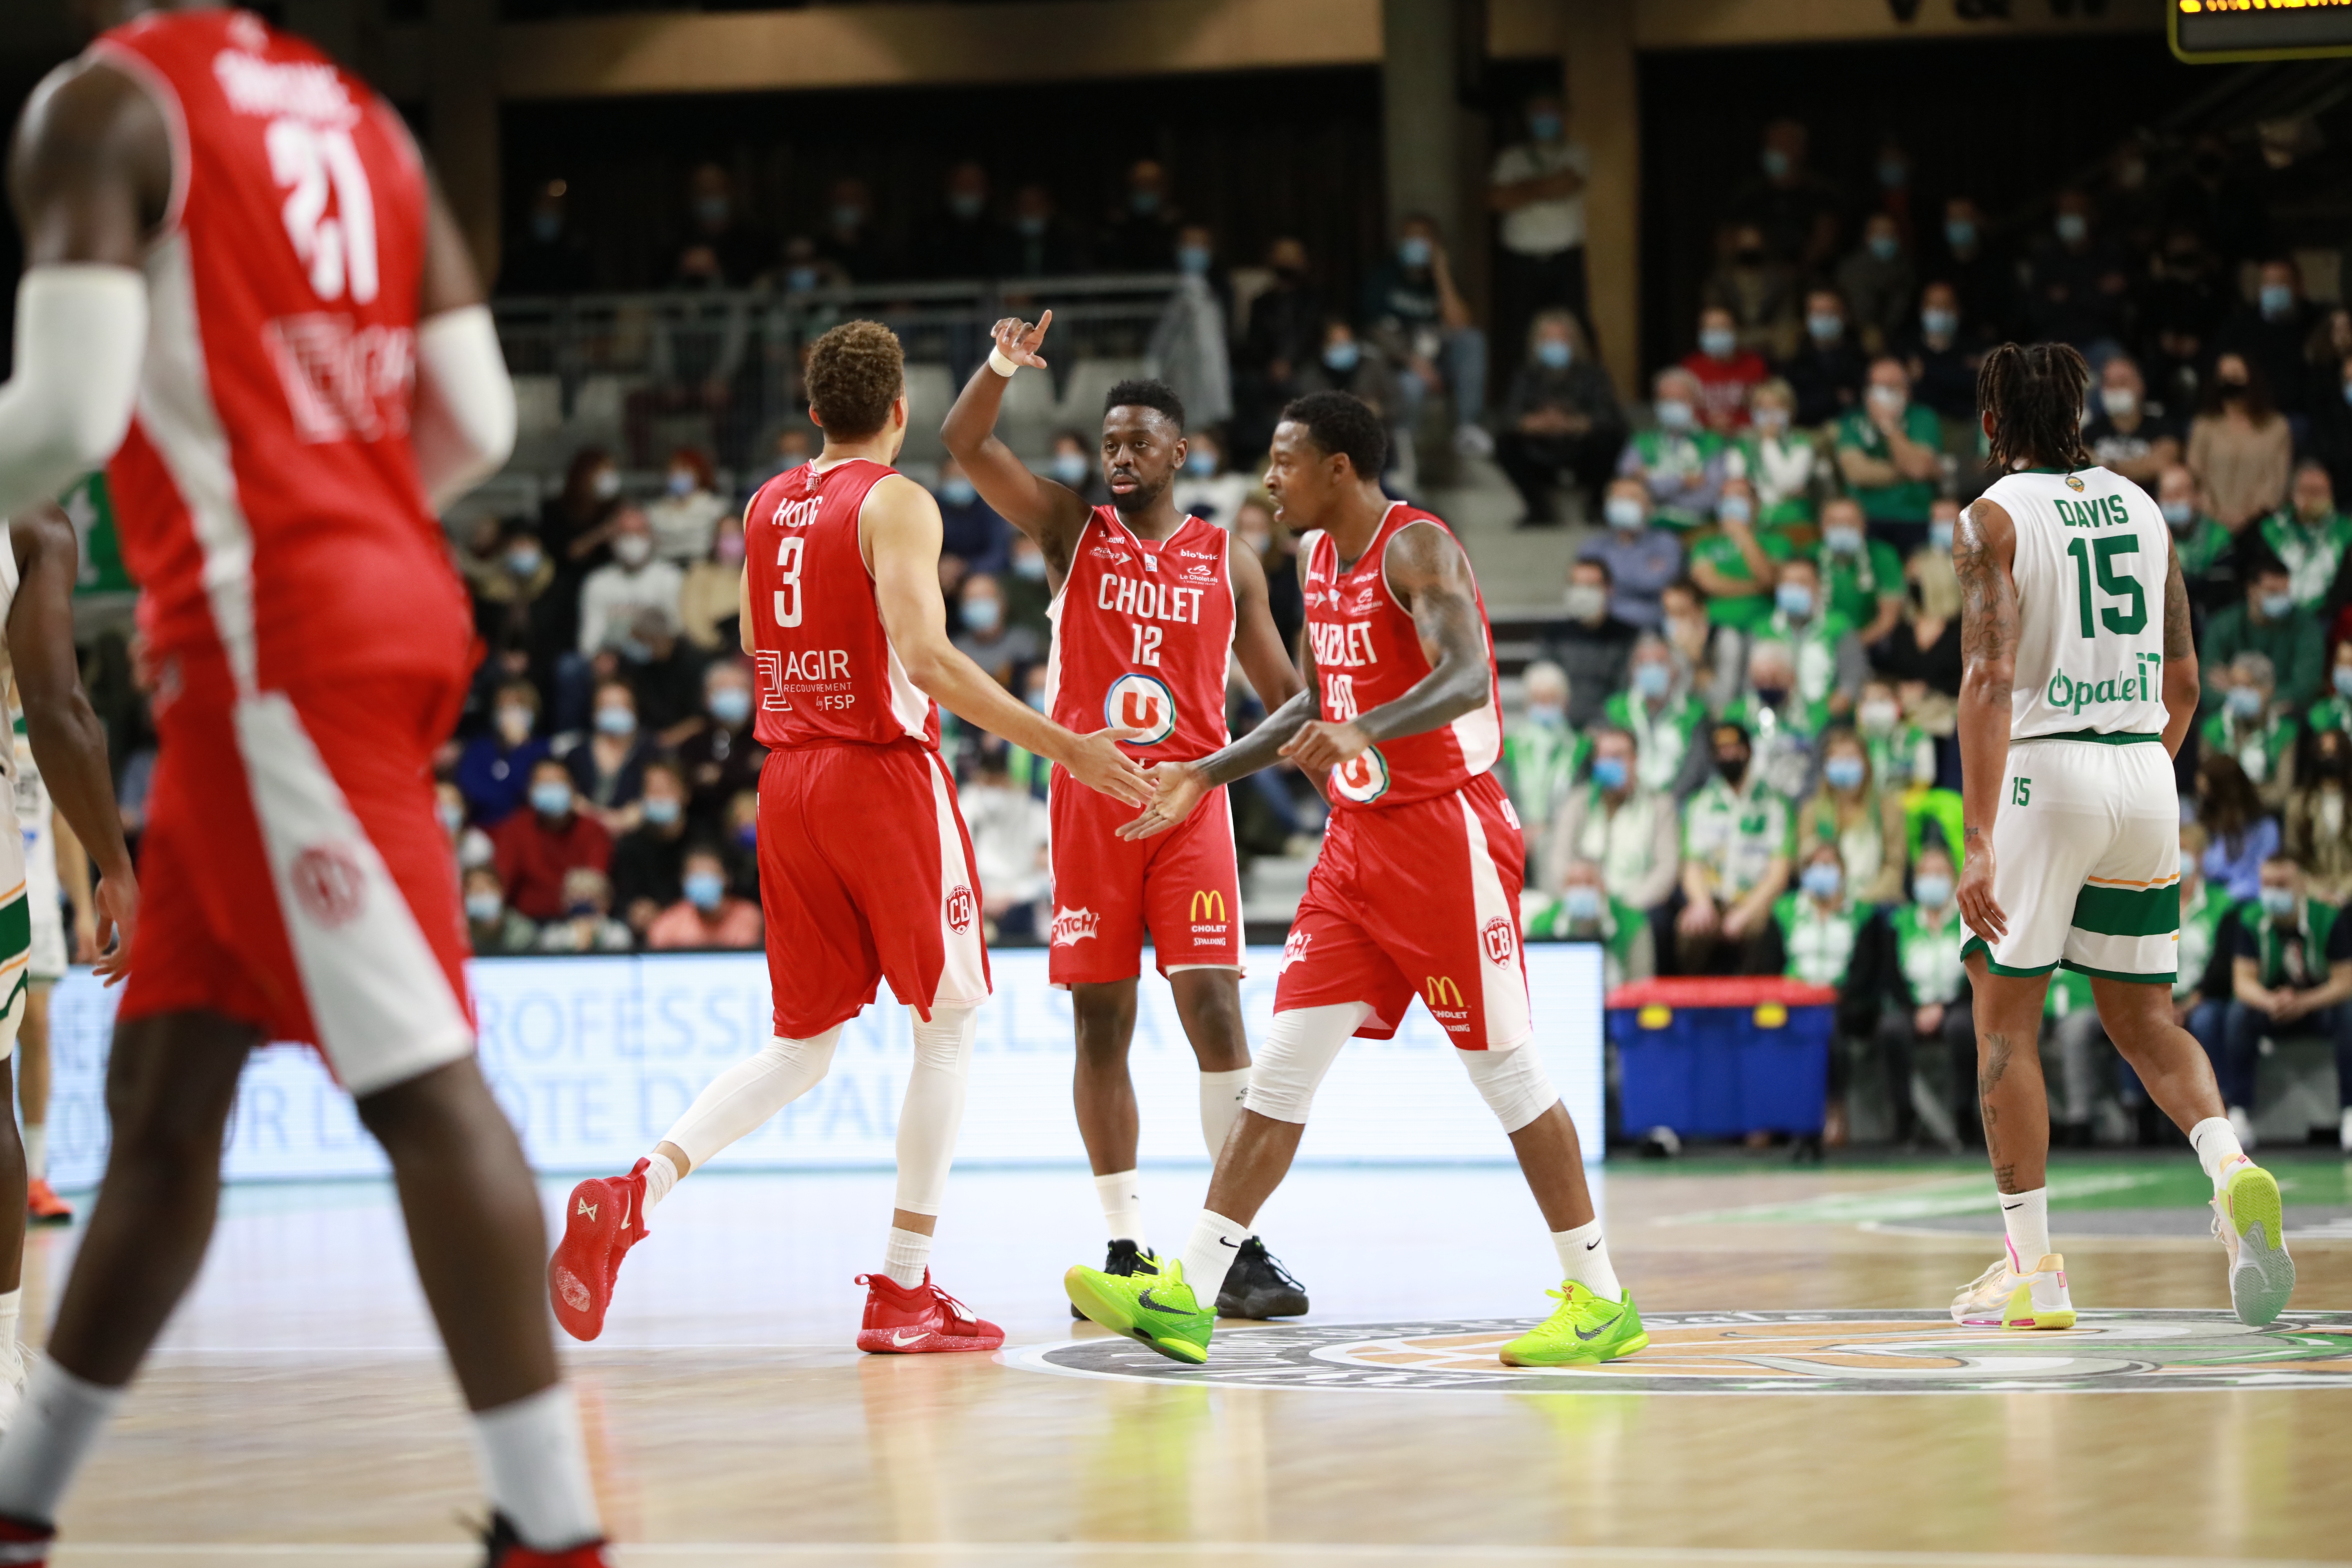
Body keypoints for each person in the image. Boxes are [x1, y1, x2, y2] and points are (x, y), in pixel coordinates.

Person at [0, 7, 611, 1563]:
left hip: (278, 645)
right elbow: (471, 419)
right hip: (342, 617)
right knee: (159, 1102)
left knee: (419, 1085)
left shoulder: (107, 109)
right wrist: (326, 505)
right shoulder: (364, 119)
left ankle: (555, 1532)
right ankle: (20, 1500)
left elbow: (64, 421)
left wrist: (273, 533)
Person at [549, 321, 1151, 1359]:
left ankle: (637, 1185)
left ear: (814, 408)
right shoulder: (897, 501)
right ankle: (903, 1286)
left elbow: (748, 636)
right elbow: (929, 655)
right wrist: (1066, 746)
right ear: (899, 409)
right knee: (948, 1021)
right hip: (878, 773)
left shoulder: (765, 501)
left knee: (799, 1044)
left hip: (785, 782)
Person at [1066, 388, 1640, 1370]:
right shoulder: (1311, 555)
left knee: (1505, 1071)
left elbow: (1466, 676)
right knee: (1281, 1068)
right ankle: (1191, 1293)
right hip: (1354, 843)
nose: (1267, 480)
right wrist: (1199, 773)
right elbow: (1302, 711)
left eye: (1284, 463)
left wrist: (1364, 727)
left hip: (1442, 836)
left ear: (1338, 468)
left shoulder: (1415, 547)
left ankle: (1598, 1297)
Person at [944, 313, 1311, 1318]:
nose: (1118, 455)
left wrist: (1337, 787)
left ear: (1179, 453)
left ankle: (1231, 1246)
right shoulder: (1070, 528)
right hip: (1090, 803)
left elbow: (1289, 701)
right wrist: (998, 366)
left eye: (1137, 440)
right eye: (1108, 440)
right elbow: (965, 446)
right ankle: (1122, 1243)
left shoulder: (1225, 558)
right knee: (1098, 1022)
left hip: (1190, 807)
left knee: (1214, 1011)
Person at [1950, 340, 2290, 1338]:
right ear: (2079, 414)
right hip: (2144, 768)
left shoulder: (1990, 519)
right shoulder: (2142, 506)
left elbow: (1985, 680)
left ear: (1988, 425)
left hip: (2042, 772)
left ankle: (2033, 1273)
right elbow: (2183, 680)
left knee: (2002, 1018)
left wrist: (1979, 837)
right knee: (2144, 1019)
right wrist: (2136, 772)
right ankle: (2227, 1166)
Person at [10, 682, 103, 1227]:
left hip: (38, 904)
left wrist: (85, 912)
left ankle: (37, 1177)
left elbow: (62, 823)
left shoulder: (44, 722)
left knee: (37, 1029)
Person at [2221, 855, 2352, 1154]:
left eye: (2282, 885)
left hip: (2317, 1008)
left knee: (2349, 1012)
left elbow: (2345, 982)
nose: (2274, 893)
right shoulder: (2250, 919)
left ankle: (2349, 1111)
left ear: (2301, 885)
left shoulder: (2328, 918)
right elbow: (2243, 982)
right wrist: (2270, 1001)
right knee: (2236, 1014)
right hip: (2273, 1009)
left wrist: (2304, 1002)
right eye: (2267, 885)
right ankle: (2238, 1112)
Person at [1359, 216, 1490, 460]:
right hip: (1400, 362)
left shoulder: (1439, 280)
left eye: (1423, 237)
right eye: (1410, 236)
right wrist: (1414, 362)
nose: (1416, 243)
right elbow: (1374, 330)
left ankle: (1468, 428)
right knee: (1411, 384)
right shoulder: (1383, 276)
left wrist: (1441, 271)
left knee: (1472, 340)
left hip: (1438, 359)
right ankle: (1404, 450)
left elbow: (1460, 324)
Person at [1872, 844, 1974, 1149]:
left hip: (1957, 1005)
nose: (1932, 880)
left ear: (1955, 879)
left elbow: (1976, 977)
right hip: (1912, 1006)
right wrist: (1915, 1009)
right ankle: (1904, 1118)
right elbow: (1890, 976)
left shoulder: (1969, 922)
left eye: (1940, 874)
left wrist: (1943, 1008)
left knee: (1963, 1028)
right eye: (1925, 874)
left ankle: (1964, 1115)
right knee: (1891, 1029)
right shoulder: (1899, 923)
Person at [1678, 720, 1793, 975]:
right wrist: (1702, 904)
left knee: (1764, 928)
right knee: (1691, 926)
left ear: (1750, 752)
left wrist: (1746, 912)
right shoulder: (1700, 804)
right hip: (1714, 897)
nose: (1729, 755)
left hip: (1756, 899)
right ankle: (1693, 1007)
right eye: (1722, 750)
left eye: (1735, 749)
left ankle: (1756, 1010)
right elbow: (1692, 866)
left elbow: (1779, 872)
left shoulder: (1774, 804)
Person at [1494, 310, 1624, 526]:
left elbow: (1612, 417)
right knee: (1505, 443)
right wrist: (1533, 423)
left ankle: (1597, 507)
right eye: (1549, 339)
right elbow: (1508, 417)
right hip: (1539, 451)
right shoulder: (1526, 375)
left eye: (1561, 338)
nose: (1555, 344)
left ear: (1574, 342)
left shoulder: (1593, 375)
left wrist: (1576, 423)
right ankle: (1538, 510)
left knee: (1611, 439)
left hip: (1583, 451)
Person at [1486, 93, 1590, 359]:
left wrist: (1521, 189)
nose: (1545, 119)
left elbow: (1568, 184)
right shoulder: (1511, 157)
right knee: (1518, 329)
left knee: (1575, 324)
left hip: (1565, 254)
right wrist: (1546, 185)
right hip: (1520, 256)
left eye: (1550, 112)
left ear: (1564, 116)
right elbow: (1498, 200)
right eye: (1538, 113)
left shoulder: (1575, 152)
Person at [1545, 726, 1678, 916]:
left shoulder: (1659, 806)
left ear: (1635, 760)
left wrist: (1624, 908)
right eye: (1604, 758)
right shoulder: (1578, 803)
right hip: (1583, 905)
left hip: (1638, 908)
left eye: (1618, 757)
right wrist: (1575, 895)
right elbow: (1559, 859)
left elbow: (1666, 871)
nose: (1610, 764)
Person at [1835, 358, 1942, 547]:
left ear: (1907, 390)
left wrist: (1888, 426)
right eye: (1878, 386)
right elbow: (1857, 473)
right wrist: (1910, 470)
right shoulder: (1852, 420)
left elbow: (1917, 469)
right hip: (1866, 518)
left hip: (1915, 516)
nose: (1885, 392)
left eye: (1893, 386)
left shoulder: (1923, 417)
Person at [2201, 553, 2323, 717]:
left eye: (2285, 592)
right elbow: (2208, 690)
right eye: (2273, 592)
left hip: (2285, 721)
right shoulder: (2223, 625)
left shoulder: (2305, 627)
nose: (2281, 599)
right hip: (2227, 721)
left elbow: (2305, 689)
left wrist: (2239, 689)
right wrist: (2270, 696)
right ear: (2251, 590)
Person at [1796, 728, 1907, 907]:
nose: (1844, 764)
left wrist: (1863, 902)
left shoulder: (1887, 809)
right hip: (1825, 903)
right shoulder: (1812, 811)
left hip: (1874, 904)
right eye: (1838, 759)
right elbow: (1805, 863)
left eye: (1851, 758)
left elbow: (1894, 868)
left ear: (1866, 763)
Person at [493, 759, 614, 922]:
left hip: (581, 921)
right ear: (530, 791)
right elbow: (501, 882)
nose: (551, 790)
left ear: (573, 789)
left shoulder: (594, 831)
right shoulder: (515, 829)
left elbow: (594, 887)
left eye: (557, 783)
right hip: (528, 925)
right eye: (544, 784)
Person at [2187, 354, 2292, 535]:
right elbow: (2195, 475)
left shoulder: (2276, 427)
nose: (2230, 383)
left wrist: (2247, 517)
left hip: (2261, 526)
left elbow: (2277, 480)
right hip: (2210, 526)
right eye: (2224, 377)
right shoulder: (2203, 425)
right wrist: (2216, 514)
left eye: (2236, 376)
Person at [1616, 367, 1724, 531]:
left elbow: (1712, 496)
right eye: (1666, 400)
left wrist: (1653, 483)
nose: (1672, 406)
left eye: (1680, 400)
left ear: (1696, 402)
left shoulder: (1713, 442)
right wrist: (1682, 482)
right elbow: (1627, 489)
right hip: (1648, 527)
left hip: (1700, 525)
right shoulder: (1641, 441)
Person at [1603, 633, 1710, 799]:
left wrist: (1668, 802)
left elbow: (1696, 768)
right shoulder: (1616, 709)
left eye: (1659, 663)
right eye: (1643, 664)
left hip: (1676, 802)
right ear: (1632, 671)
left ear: (1675, 669)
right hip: (1629, 803)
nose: (1650, 670)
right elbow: (1607, 761)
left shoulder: (1694, 712)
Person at [1543, 557, 1638, 729]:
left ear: (1609, 589)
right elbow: (1544, 685)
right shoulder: (1554, 636)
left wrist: (1603, 726)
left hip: (1613, 730)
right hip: (1562, 728)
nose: (1583, 592)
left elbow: (1627, 690)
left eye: (1591, 586)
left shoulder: (1628, 637)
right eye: (1576, 585)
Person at [1500, 662, 1580, 859]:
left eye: (1551, 700)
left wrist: (1550, 831)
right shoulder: (1510, 747)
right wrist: (1521, 828)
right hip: (1518, 835)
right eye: (1539, 700)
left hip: (1565, 839)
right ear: (1527, 704)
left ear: (1565, 703)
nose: (1545, 707)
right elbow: (1504, 795)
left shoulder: (1579, 748)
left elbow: (1578, 799)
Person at [2201, 653, 2298, 810]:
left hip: (2264, 814)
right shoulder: (2213, 727)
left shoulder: (2284, 732)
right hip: (2219, 812)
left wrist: (2244, 802)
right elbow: (2205, 783)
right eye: (2235, 686)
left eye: (2248, 686)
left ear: (2269, 689)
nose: (2240, 694)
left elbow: (2281, 792)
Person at [1577, 483, 1681, 629]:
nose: (1624, 503)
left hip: (1656, 624)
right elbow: (1584, 588)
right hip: (1605, 625)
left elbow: (1661, 582)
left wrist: (1611, 581)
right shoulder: (1593, 547)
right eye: (1618, 498)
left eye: (1632, 498)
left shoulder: (1666, 542)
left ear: (1650, 506)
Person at [2259, 460, 2352, 615]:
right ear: (2293, 495)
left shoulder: (2345, 530)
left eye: (2321, 491)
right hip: (2279, 618)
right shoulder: (2271, 530)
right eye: (2308, 490)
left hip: (2332, 618)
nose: (2315, 497)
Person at [609, 760, 691, 936]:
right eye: (651, 790)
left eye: (665, 789)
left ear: (685, 793)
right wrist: (636, 910)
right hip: (647, 932)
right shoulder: (630, 845)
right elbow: (624, 898)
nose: (658, 797)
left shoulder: (703, 838)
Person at [1724, 379, 1816, 528]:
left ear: (1789, 411)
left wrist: (1769, 442)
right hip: (1754, 518)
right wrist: (1778, 493)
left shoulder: (1801, 442)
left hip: (1793, 519)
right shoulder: (1741, 443)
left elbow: (1789, 484)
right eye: (1763, 409)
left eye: (1776, 408)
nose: (1770, 415)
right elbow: (1738, 486)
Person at [1814, 495, 1905, 645]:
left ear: (1863, 526)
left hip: (1870, 644)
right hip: (1819, 644)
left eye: (1850, 523)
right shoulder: (1811, 558)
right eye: (1835, 523)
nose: (1842, 529)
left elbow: (1887, 621)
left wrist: (1851, 649)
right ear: (1822, 527)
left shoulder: (1883, 556)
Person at [2080, 356, 2179, 493]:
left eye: (2122, 382)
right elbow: (2082, 465)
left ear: (2140, 386)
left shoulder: (2160, 427)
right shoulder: (2091, 431)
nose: (2115, 389)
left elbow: (2162, 463)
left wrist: (2108, 466)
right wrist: (2139, 467)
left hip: (2148, 501)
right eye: (2109, 383)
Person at [567, 680, 652, 831]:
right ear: (595, 713)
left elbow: (656, 795)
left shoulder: (651, 753)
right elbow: (570, 798)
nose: (614, 712)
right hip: (584, 834)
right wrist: (600, 820)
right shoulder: (577, 755)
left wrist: (624, 820)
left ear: (634, 710)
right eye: (607, 706)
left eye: (620, 706)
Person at [2197, 752, 2278, 903]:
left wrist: (2228, 897)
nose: (2208, 805)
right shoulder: (2207, 828)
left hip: (2249, 903)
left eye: (2211, 797)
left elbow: (2263, 877)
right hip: (2211, 901)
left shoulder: (2265, 829)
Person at [2157, 462, 2239, 612]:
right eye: (2166, 495)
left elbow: (2219, 595)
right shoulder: (2150, 536)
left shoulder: (2219, 538)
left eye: (2179, 494)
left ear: (2198, 498)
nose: (2172, 501)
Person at [644, 846, 762, 951]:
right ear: (683, 880)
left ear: (726, 878)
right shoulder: (669, 924)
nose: (702, 881)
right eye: (696, 876)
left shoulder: (750, 918)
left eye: (709, 874)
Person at [1899, 281, 1982, 428]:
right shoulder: (1905, 346)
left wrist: (1927, 373)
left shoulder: (1974, 347)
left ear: (1957, 310)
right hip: (1918, 428)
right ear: (1922, 309)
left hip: (1964, 426)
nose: (1938, 310)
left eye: (1945, 305)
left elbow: (1979, 388)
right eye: (1933, 304)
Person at [1833, 213, 1915, 358]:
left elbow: (1902, 310)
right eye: (1879, 232)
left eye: (1889, 232)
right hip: (1855, 338)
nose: (1884, 237)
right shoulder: (1851, 269)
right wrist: (1867, 331)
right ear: (1867, 236)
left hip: (1900, 338)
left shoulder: (1908, 269)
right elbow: (1856, 310)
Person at [1781, 288, 1867, 428]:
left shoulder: (1861, 355)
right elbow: (1792, 405)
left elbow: (1863, 400)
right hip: (1809, 432)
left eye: (1830, 312)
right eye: (1818, 313)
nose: (1824, 318)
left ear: (1844, 316)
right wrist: (1834, 398)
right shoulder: (1794, 359)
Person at [2288, 719, 2352, 906]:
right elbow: (2295, 857)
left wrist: (2344, 892)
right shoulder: (2298, 804)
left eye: (2334, 754)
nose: (2329, 760)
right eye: (2324, 754)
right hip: (2315, 892)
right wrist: (2317, 892)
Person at [1682, 305, 1766, 433]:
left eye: (1723, 328)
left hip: (1746, 436)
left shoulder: (1755, 365)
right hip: (1703, 437)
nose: (1717, 334)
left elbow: (1767, 406)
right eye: (1711, 329)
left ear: (1735, 330)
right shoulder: (1691, 368)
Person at [645, 447, 726, 565]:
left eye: (684, 470)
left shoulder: (716, 508)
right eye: (673, 471)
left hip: (703, 567)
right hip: (666, 569)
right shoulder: (654, 511)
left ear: (699, 473)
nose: (678, 475)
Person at [534, 866, 634, 954]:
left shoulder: (617, 933)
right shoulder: (553, 935)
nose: (582, 904)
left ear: (605, 903)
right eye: (575, 897)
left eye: (590, 898)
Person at [462, 865, 540, 956]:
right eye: (473, 889)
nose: (480, 892)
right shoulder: (460, 933)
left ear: (501, 891)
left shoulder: (522, 930)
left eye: (486, 887)